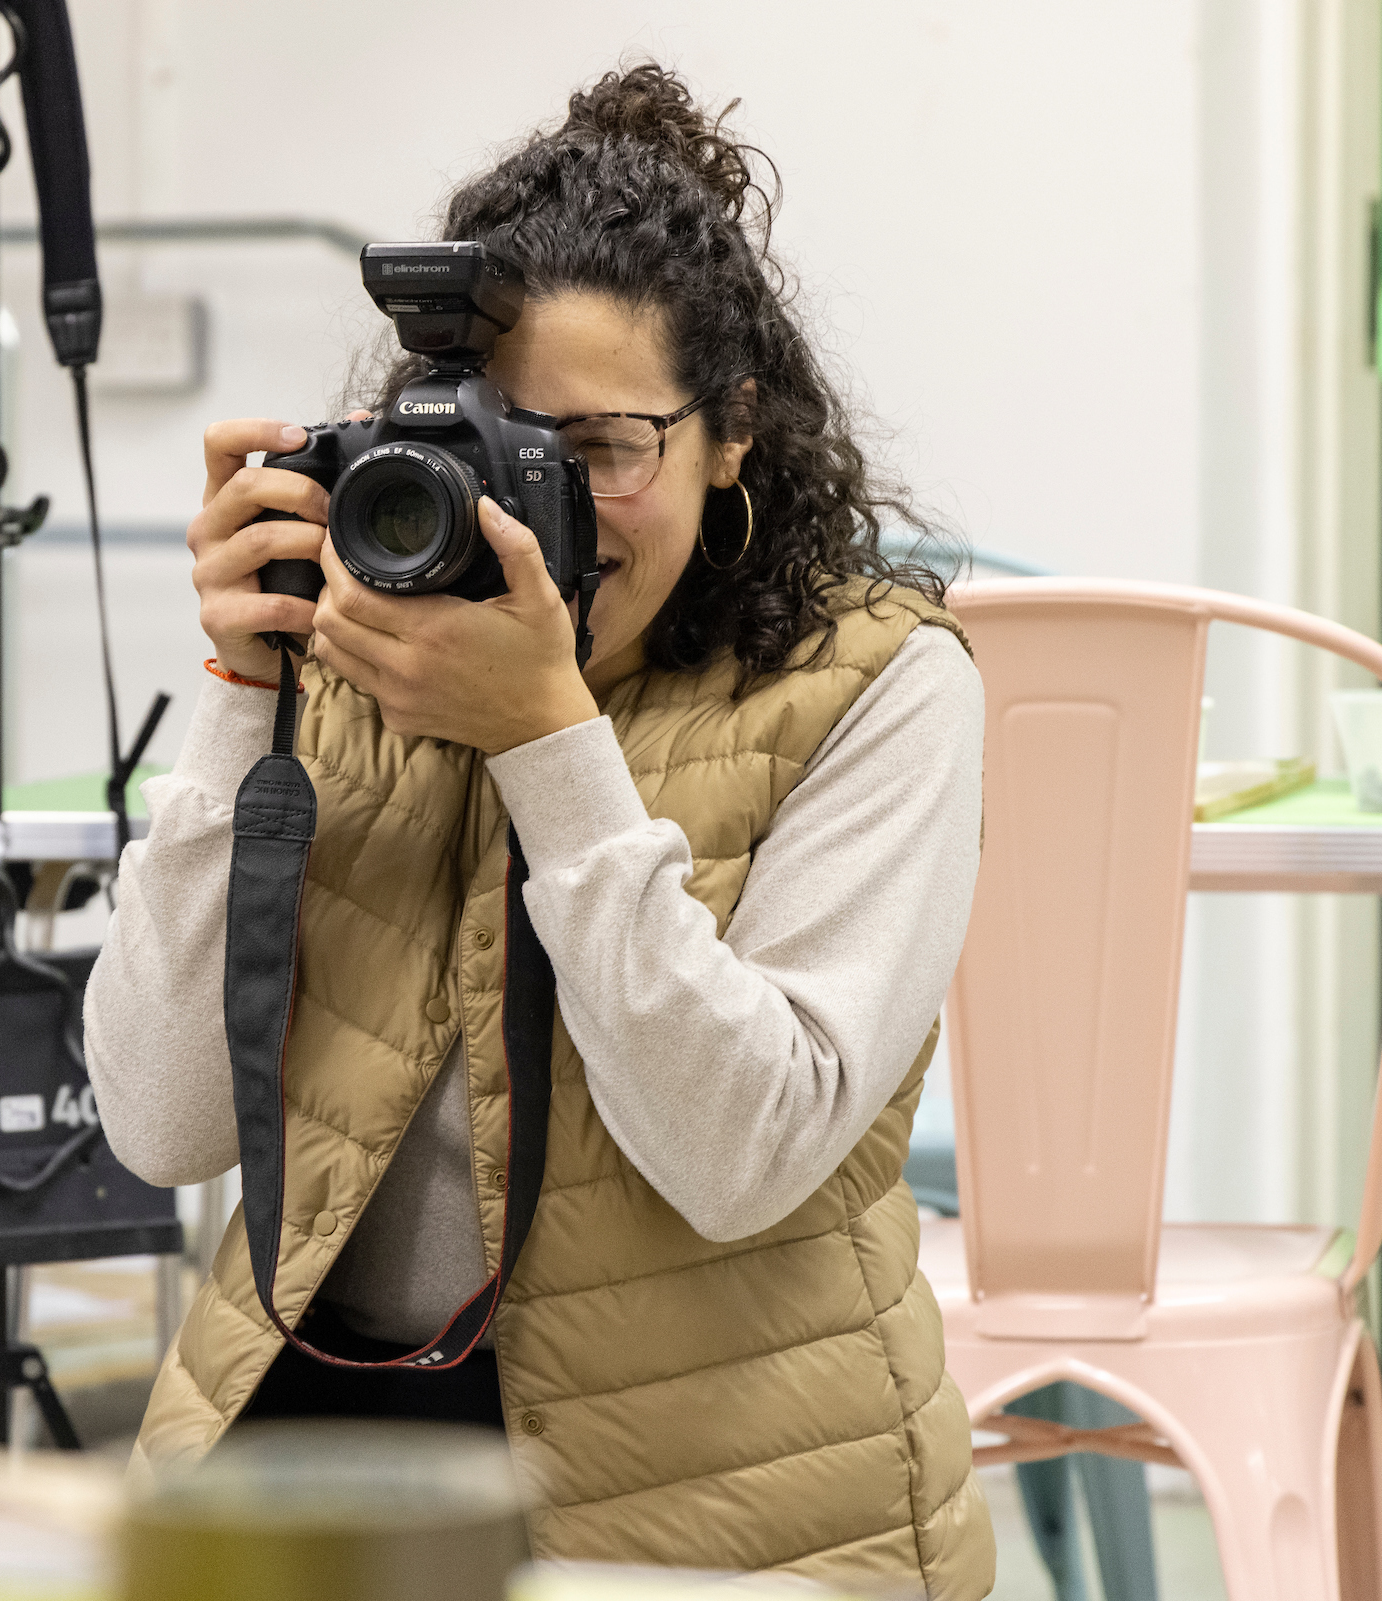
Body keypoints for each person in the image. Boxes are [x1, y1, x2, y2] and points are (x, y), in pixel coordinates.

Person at [84, 62, 992, 1595]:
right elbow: (159, 1124)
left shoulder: (881, 687)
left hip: (714, 1507)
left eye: (601, 454)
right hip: (317, 1450)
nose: (534, 518)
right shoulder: (359, 652)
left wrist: (547, 741)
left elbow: (742, 1154)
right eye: (496, 451)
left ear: (734, 434)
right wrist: (243, 692)